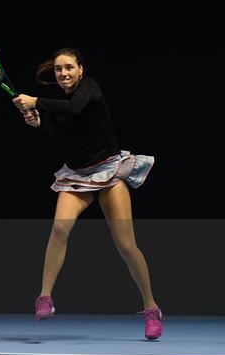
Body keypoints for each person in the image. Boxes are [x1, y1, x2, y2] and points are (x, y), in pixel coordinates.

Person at [12, 48, 163, 340]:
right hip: (77, 175)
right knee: (59, 228)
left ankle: (151, 307)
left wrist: (36, 101)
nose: (64, 73)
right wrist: (37, 121)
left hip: (108, 172)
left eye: (69, 67)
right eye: (58, 69)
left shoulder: (89, 89)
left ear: (81, 69)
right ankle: (45, 296)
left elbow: (75, 109)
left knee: (126, 245)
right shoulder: (55, 104)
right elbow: (57, 136)